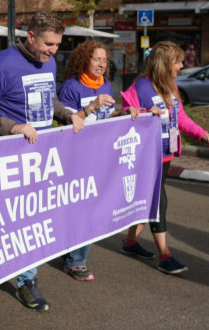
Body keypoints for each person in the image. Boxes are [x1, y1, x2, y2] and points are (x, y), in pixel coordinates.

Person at [0, 10, 84, 312]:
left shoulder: (49, 62)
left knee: (33, 219)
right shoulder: (3, 65)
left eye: (58, 45)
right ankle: (26, 281)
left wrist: (66, 114)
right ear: (31, 36)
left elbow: (50, 100)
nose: (53, 51)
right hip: (13, 158)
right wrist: (14, 128)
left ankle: (22, 273)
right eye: (49, 44)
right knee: (21, 220)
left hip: (43, 158)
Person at [120, 41, 209, 274]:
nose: (181, 65)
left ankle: (130, 242)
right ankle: (165, 256)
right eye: (177, 61)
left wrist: (204, 134)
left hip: (166, 156)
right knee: (159, 202)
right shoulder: (140, 87)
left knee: (149, 200)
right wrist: (146, 114)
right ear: (165, 63)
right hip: (147, 158)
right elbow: (125, 119)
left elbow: (181, 119)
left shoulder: (170, 86)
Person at [58, 40, 139, 281]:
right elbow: (64, 123)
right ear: (84, 60)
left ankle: (71, 253)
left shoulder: (105, 84)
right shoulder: (71, 87)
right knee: (83, 209)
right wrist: (92, 105)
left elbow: (107, 115)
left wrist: (122, 113)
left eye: (105, 60)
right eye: (96, 59)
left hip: (99, 157)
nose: (102, 64)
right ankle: (76, 262)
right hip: (76, 158)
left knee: (91, 208)